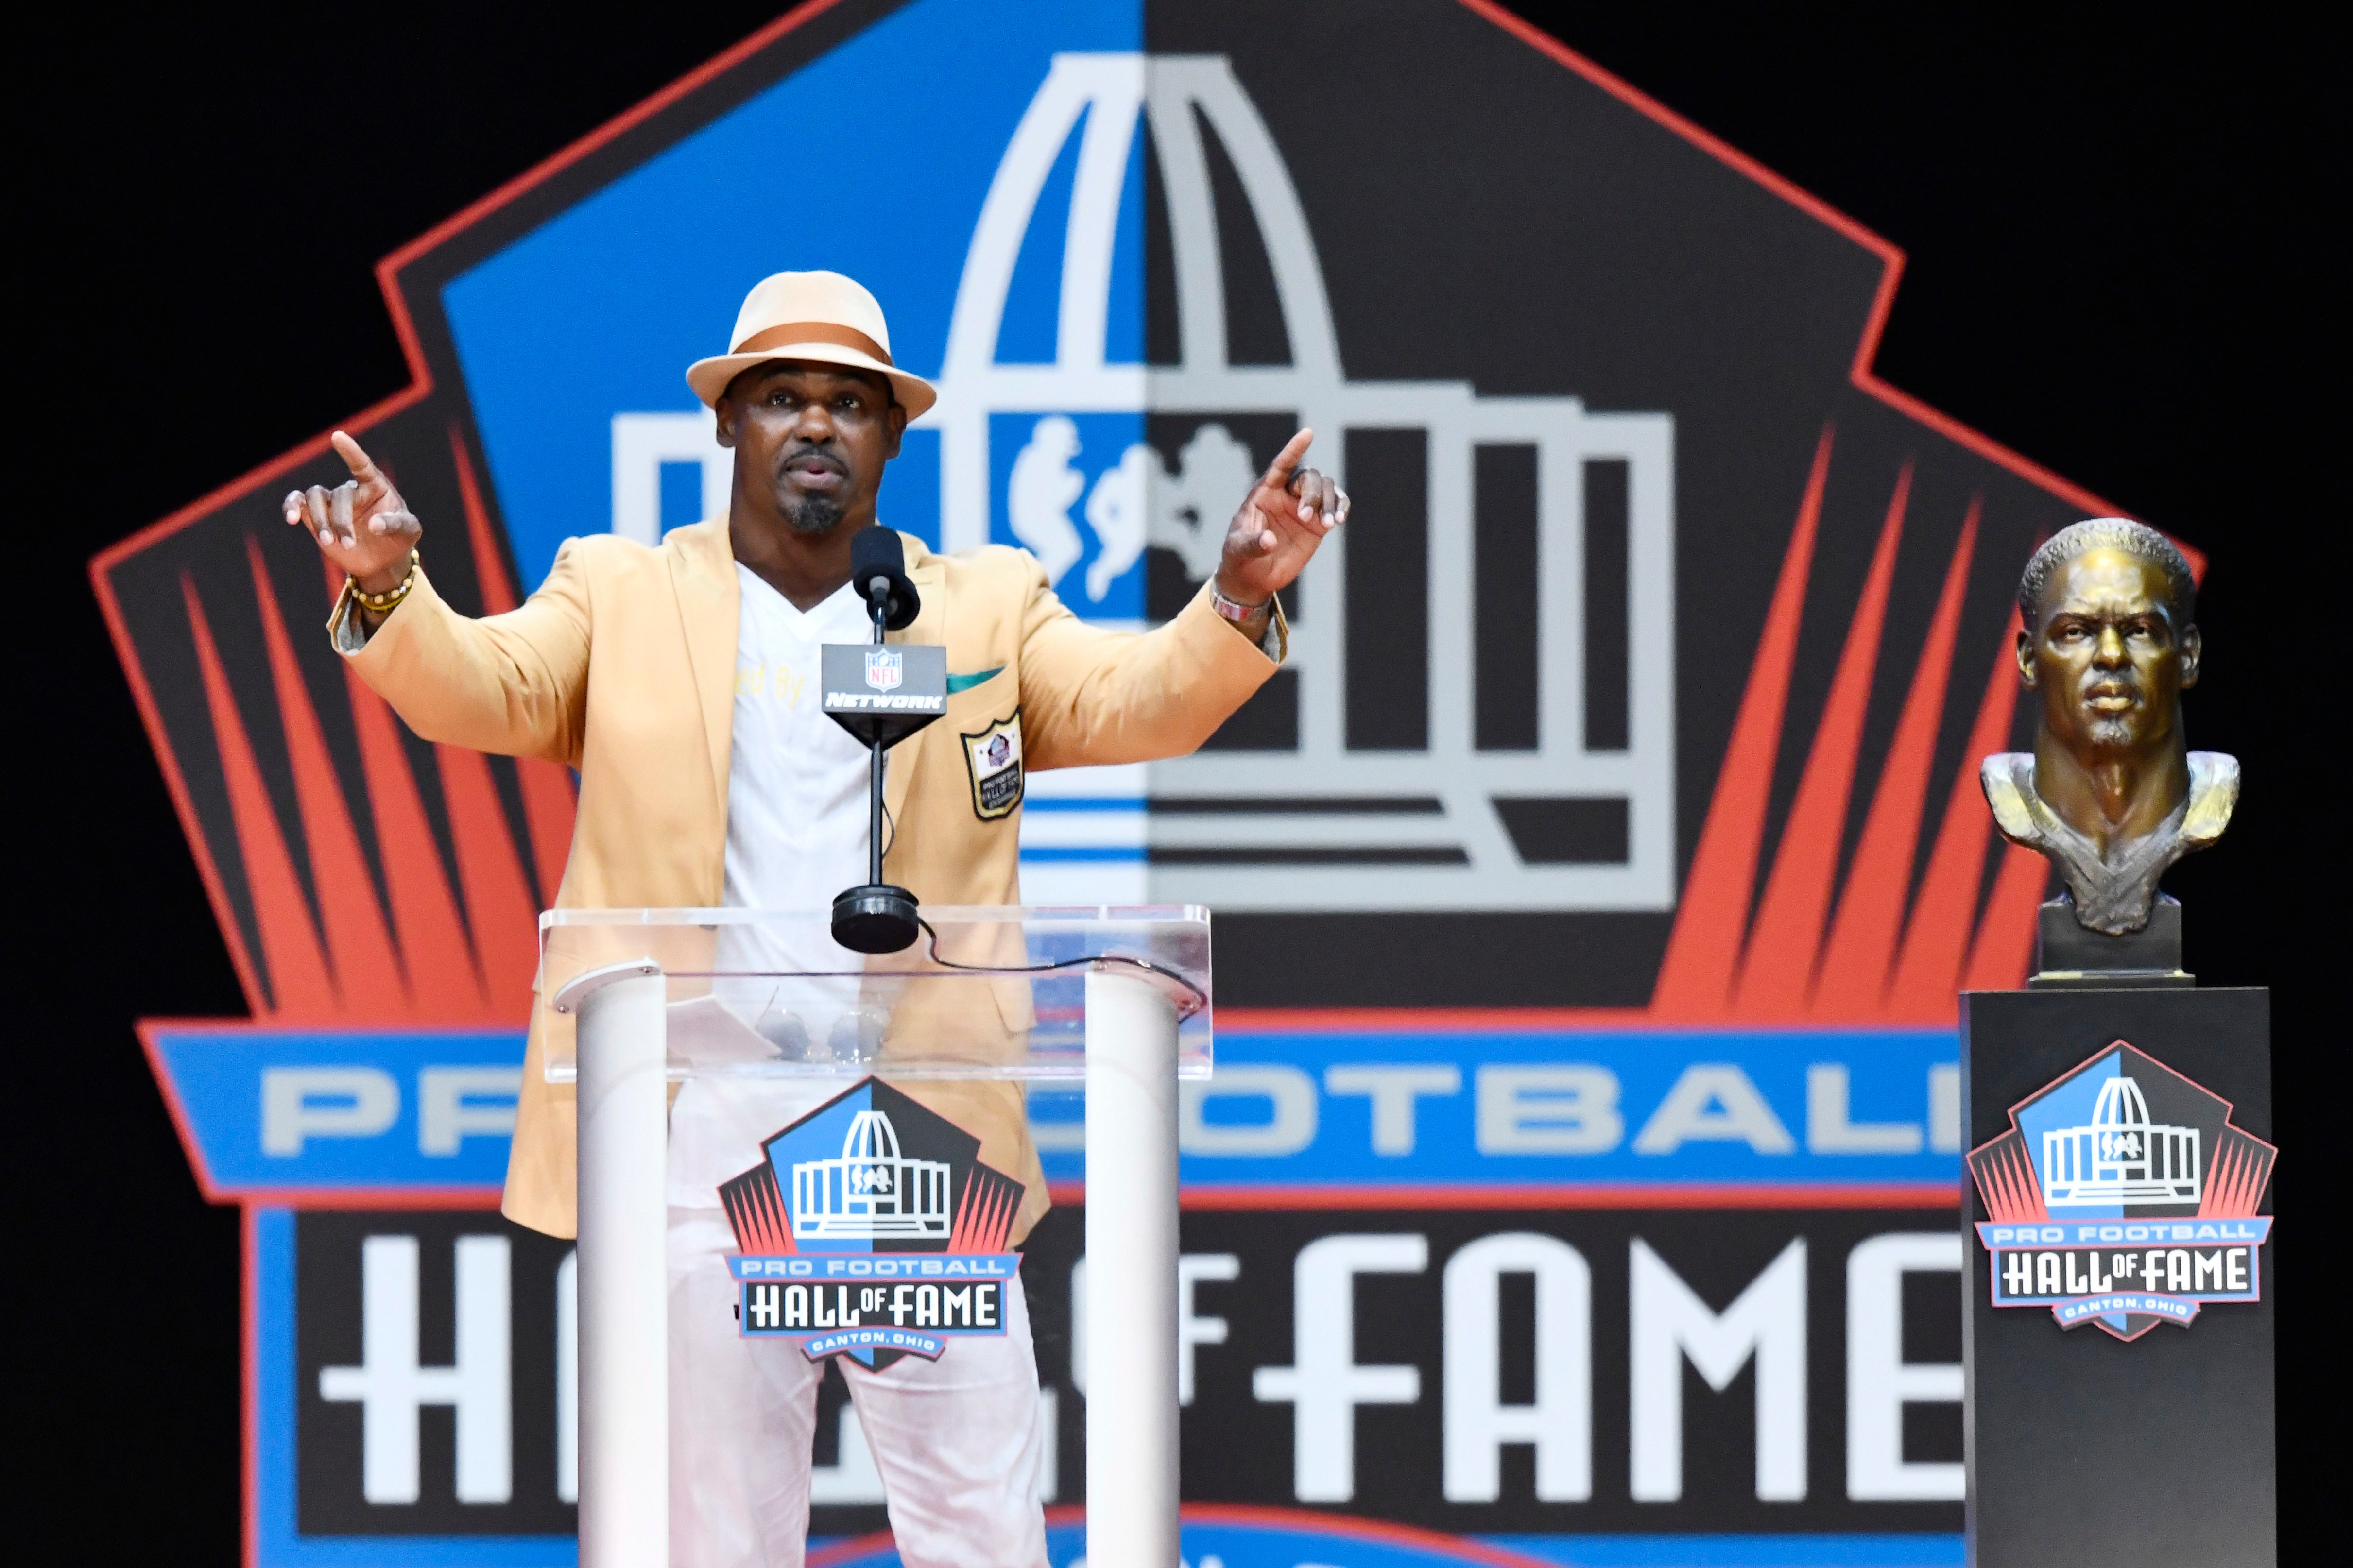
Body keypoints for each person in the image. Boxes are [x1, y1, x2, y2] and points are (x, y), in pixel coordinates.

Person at [285, 270, 1347, 1566]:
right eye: (780, 396)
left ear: (890, 438)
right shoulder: (619, 592)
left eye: (848, 403)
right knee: (713, 1543)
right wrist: (393, 594)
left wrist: (1237, 599)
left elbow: (1140, 700)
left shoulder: (978, 605)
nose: (813, 425)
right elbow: (481, 687)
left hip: (914, 1130)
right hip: (691, 1138)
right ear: (727, 423)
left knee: (982, 1537)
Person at [1980, 517, 2235, 934]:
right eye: (2076, 632)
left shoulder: (2213, 799)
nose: (2111, 655)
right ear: (2028, 660)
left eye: (2140, 630)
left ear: (2187, 657)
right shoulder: (2010, 796)